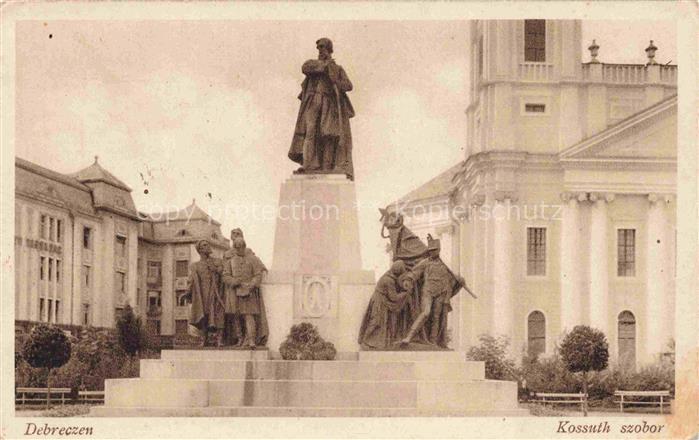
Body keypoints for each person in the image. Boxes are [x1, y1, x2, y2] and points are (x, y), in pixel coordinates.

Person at [288, 38, 355, 180]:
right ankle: (308, 165)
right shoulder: (313, 64)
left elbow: (348, 86)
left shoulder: (337, 68)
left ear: (329, 49)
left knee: (329, 134)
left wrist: (334, 78)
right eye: (318, 48)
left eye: (323, 47)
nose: (320, 50)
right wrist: (325, 67)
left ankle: (326, 166)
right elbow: (305, 67)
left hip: (329, 102)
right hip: (313, 101)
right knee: (310, 132)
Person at [400, 237, 464, 347]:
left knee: (436, 317)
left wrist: (460, 280)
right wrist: (408, 279)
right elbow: (415, 272)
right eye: (430, 250)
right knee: (426, 312)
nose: (432, 252)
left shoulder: (445, 266)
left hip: (441, 292)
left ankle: (433, 342)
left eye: (434, 250)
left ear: (439, 250)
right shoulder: (425, 262)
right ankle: (409, 337)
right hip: (428, 291)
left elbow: (452, 280)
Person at [222, 237, 269, 349]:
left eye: (241, 247)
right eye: (236, 247)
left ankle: (251, 340)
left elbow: (258, 275)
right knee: (236, 317)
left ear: (244, 246)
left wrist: (251, 284)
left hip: (249, 292)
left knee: (249, 316)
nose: (239, 249)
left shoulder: (253, 259)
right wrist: (234, 281)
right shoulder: (230, 261)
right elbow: (225, 276)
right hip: (234, 292)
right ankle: (240, 339)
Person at [358, 261, 414, 349]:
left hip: (380, 301)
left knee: (380, 323)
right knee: (375, 321)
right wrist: (405, 293)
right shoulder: (388, 280)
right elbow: (394, 297)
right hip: (378, 302)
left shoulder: (388, 276)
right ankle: (364, 341)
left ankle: (372, 343)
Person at [187, 239, 225, 347]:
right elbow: (191, 280)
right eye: (204, 245)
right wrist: (187, 292)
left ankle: (219, 339)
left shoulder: (217, 261)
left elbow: (223, 273)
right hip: (201, 293)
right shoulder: (195, 265)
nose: (208, 246)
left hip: (216, 292)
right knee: (203, 314)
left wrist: (216, 270)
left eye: (208, 244)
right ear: (200, 250)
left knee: (218, 314)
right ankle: (204, 338)